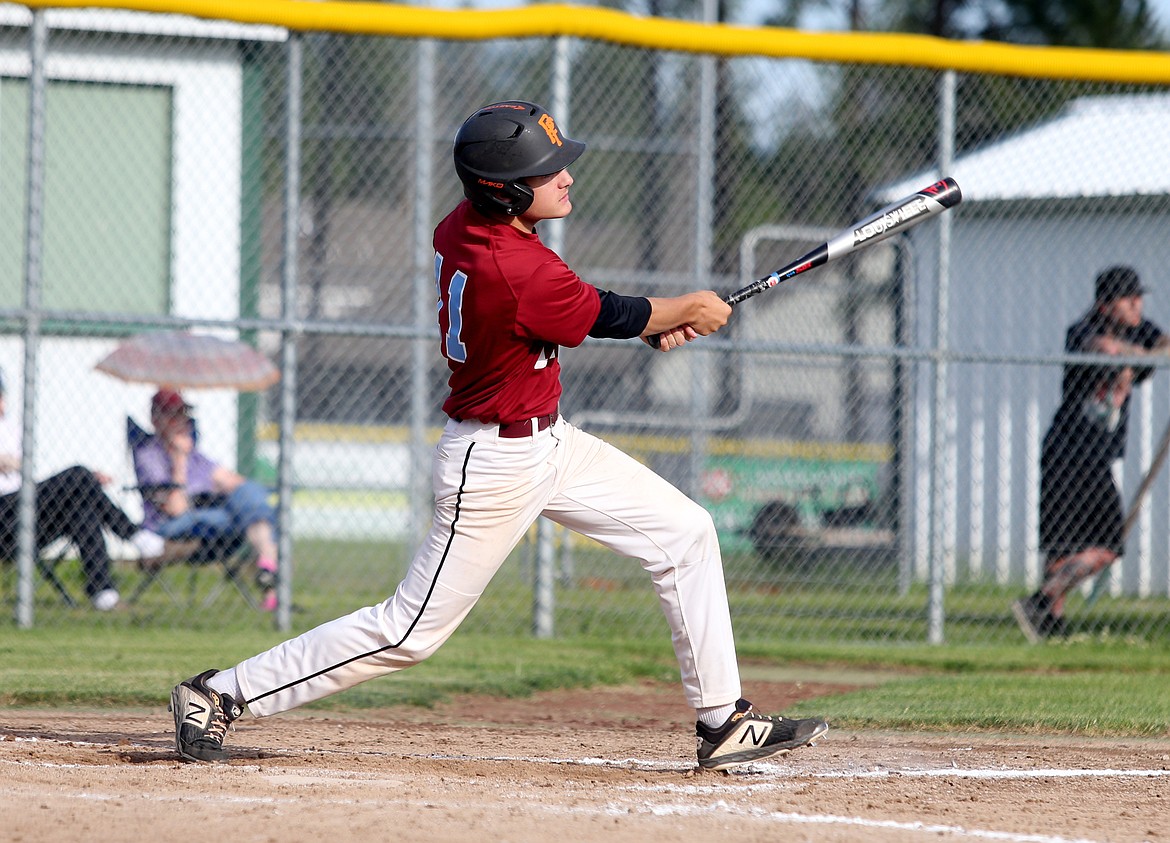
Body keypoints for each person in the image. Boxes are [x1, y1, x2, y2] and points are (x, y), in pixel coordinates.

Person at [169, 100, 829, 770]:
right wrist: (684, 308)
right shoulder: (514, 270)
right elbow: (605, 310)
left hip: (552, 444)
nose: (566, 176)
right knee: (409, 630)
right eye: (548, 170)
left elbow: (592, 313)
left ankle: (722, 720)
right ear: (505, 190)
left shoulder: (469, 228)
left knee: (685, 531)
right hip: (492, 463)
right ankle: (217, 694)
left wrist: (658, 321)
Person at [1013, 265, 1170, 642]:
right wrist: (1142, 355)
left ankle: (1043, 601)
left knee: (1108, 545)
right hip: (1068, 451)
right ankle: (1048, 617)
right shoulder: (1082, 330)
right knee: (1068, 545)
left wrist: (1145, 352)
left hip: (1097, 456)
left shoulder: (1139, 329)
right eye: (1127, 299)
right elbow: (1105, 349)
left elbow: (1163, 345)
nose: (1136, 305)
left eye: (1138, 298)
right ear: (1104, 305)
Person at [0, 369, 164, 610]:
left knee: (81, 508)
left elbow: (19, 468)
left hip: (22, 516)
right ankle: (132, 533)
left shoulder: (10, 428)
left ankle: (103, 593)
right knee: (78, 474)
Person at [133, 388, 280, 611]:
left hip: (210, 520)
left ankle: (267, 569)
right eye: (173, 415)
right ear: (156, 420)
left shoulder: (196, 456)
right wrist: (179, 459)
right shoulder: (149, 455)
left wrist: (252, 497)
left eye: (184, 415)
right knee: (256, 515)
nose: (182, 422)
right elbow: (177, 509)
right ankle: (269, 574)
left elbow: (232, 481)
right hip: (170, 527)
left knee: (249, 495)